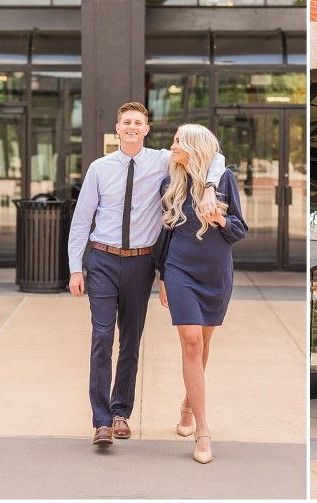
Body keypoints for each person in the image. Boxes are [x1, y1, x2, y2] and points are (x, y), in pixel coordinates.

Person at [68, 102, 225, 447]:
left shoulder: (161, 161)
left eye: (138, 122)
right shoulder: (99, 168)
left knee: (131, 341)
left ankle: (122, 412)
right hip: (102, 260)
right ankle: (102, 421)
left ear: (146, 129)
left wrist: (211, 187)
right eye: (127, 122)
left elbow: (214, 155)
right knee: (102, 337)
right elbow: (81, 221)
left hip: (140, 264)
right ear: (118, 127)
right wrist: (75, 268)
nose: (132, 127)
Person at [157, 123, 247, 464]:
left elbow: (240, 229)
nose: (172, 146)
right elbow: (164, 234)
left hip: (215, 272)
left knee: (204, 342)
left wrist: (221, 220)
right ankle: (203, 430)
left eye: (178, 141)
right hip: (179, 269)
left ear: (194, 147)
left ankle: (186, 405)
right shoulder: (169, 184)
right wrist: (161, 275)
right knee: (192, 341)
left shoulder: (224, 182)